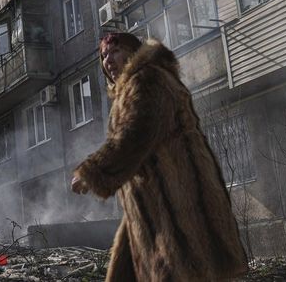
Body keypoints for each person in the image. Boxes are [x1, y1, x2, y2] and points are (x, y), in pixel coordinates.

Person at [71, 33, 247, 281]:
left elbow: (136, 135)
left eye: (115, 51)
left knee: (180, 271)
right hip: (152, 211)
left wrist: (93, 172)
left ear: (133, 53)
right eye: (103, 56)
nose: (107, 61)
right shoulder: (133, 87)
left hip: (177, 209)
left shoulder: (148, 79)